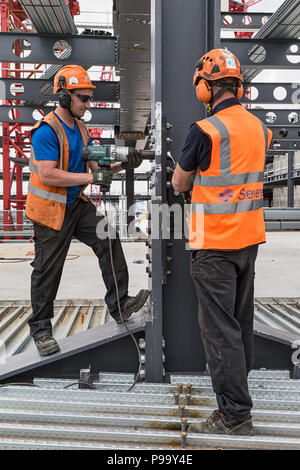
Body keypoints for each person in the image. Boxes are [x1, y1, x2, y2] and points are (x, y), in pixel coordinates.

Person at [172, 49, 272, 435]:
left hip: (214, 244)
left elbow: (180, 183)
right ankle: (237, 396)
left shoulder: (206, 130)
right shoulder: (259, 129)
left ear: (206, 87)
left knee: (219, 331)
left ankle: (234, 415)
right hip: (249, 241)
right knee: (239, 324)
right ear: (239, 85)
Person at [25, 65, 149, 357]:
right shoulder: (46, 130)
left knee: (108, 238)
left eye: (89, 98)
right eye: (83, 98)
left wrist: (125, 163)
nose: (88, 104)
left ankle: (120, 306)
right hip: (48, 211)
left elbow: (97, 168)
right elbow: (48, 176)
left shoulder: (80, 128)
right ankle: (41, 330)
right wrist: (91, 178)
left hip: (75, 205)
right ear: (65, 97)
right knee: (47, 270)